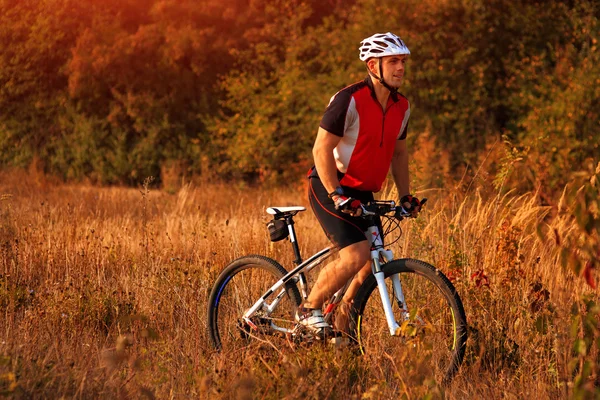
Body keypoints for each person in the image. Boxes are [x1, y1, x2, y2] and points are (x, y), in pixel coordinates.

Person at [297, 32, 422, 336]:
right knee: (356, 254)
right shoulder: (348, 100)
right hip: (330, 184)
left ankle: (342, 327)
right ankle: (308, 309)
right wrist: (336, 194)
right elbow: (321, 150)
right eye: (393, 61)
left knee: (370, 262)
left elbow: (400, 152)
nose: (401, 68)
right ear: (372, 65)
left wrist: (406, 197)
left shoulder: (401, 106)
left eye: (402, 61)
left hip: (363, 190)